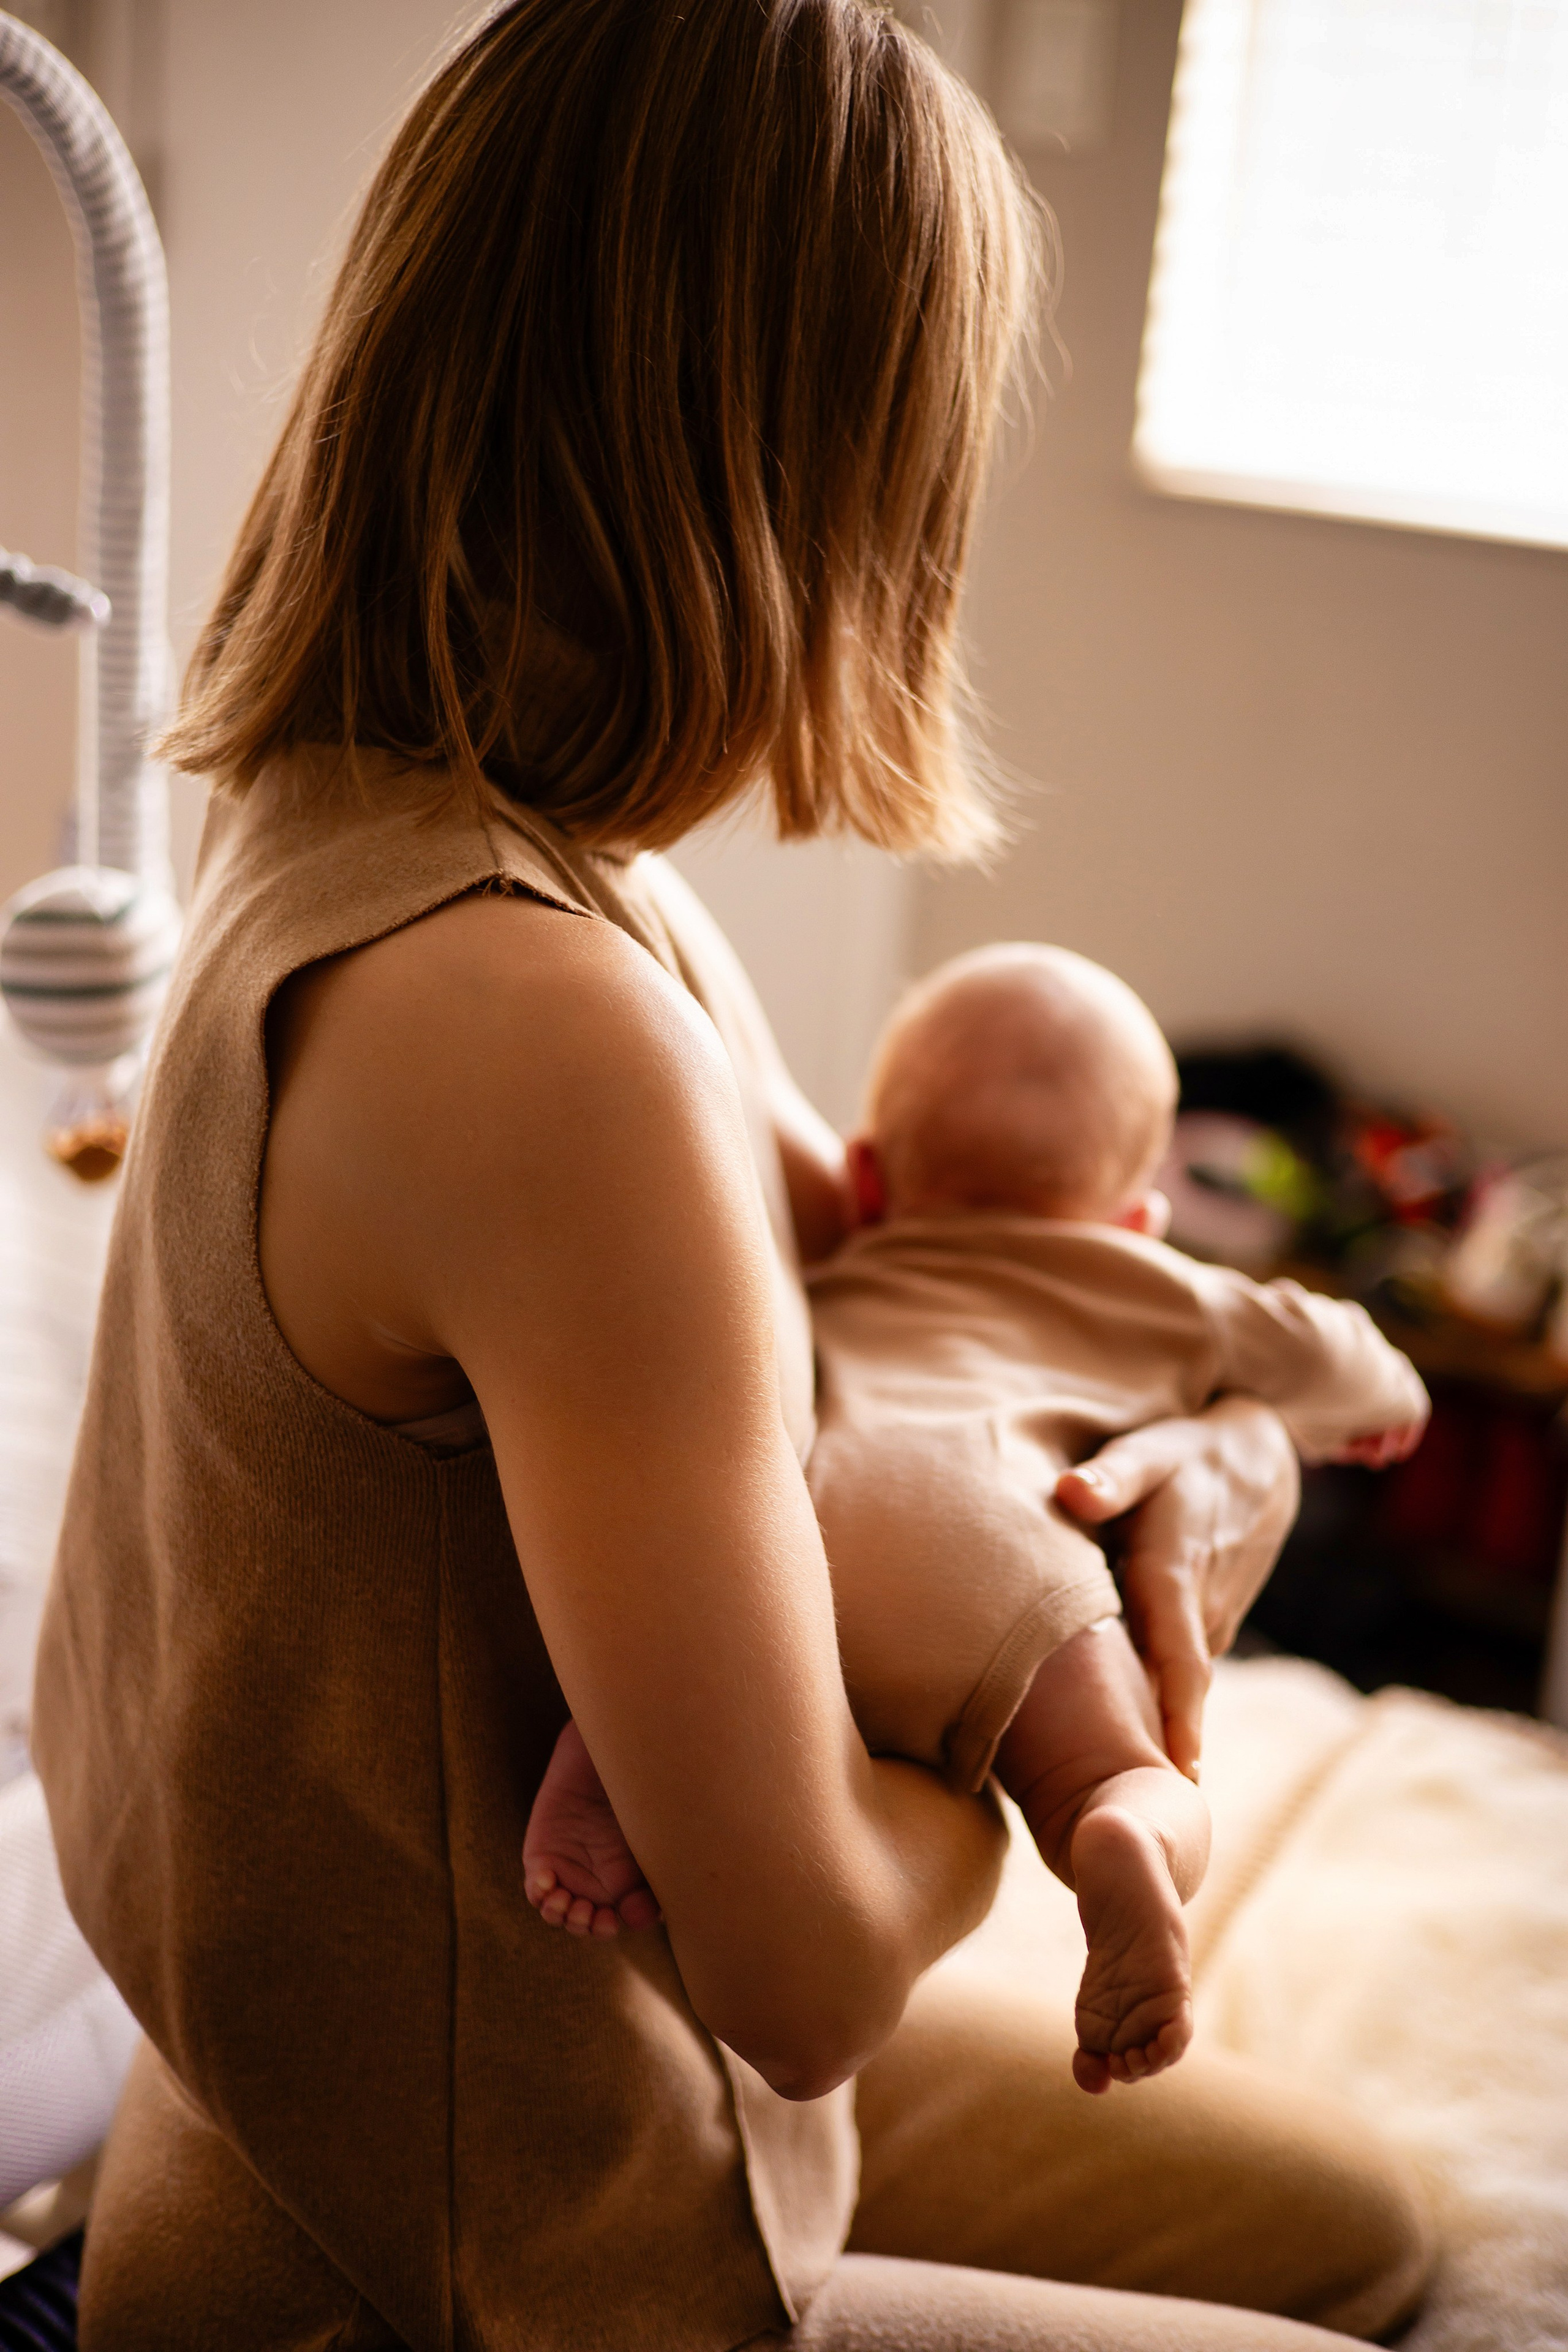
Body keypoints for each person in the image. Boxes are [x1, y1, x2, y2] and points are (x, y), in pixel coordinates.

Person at [29, 4, 1433, 2346]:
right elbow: (797, 1978)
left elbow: (910, 1272)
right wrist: (1055, 1721)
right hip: (457, 2243)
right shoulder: (537, 1035)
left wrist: (1187, 1436)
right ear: (816, 472)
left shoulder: (420, 823)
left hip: (378, 2072)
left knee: (1362, 2225)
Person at [522, 944, 1428, 2099]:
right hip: (1012, 1557)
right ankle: (1128, 1839)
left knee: (671, 1638)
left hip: (802, 1545)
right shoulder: (1159, 1292)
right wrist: (1378, 1407)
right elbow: (1354, 1361)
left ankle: (605, 1757)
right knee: (1114, 1774)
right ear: (1140, 1216)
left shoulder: (832, 1275)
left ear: (865, 1179)